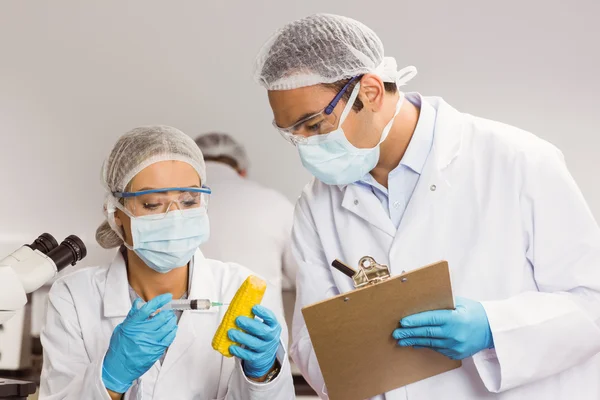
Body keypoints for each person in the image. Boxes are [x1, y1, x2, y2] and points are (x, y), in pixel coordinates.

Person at [253, 13, 600, 400]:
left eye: (314, 125)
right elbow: (313, 343)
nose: (306, 145)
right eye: (292, 134)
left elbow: (592, 303)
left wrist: (493, 327)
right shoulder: (316, 204)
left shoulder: (518, 159)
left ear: (369, 92)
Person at [39, 126, 294, 400]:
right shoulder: (74, 297)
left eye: (188, 200)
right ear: (116, 215)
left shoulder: (237, 286)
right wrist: (110, 379)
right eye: (152, 204)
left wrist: (262, 377)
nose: (175, 218)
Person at [194, 132, 297, 313]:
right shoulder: (275, 202)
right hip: (259, 328)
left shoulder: (174, 207)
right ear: (242, 171)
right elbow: (302, 276)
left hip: (184, 329)